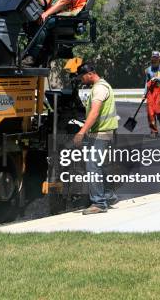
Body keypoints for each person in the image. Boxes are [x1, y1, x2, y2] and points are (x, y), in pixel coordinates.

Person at [22, 0, 87, 66]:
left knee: (44, 22)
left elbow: (63, 2)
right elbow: (47, 2)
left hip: (67, 18)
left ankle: (32, 56)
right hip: (55, 15)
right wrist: (34, 0)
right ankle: (27, 51)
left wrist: (46, 14)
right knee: (28, 19)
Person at [72, 62, 119, 215]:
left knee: (92, 166)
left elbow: (95, 112)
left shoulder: (99, 88)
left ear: (90, 74)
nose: (81, 80)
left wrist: (81, 132)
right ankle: (108, 196)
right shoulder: (104, 85)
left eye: (82, 77)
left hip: (101, 133)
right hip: (104, 132)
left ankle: (99, 203)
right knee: (99, 166)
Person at [145, 51, 160, 137]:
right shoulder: (148, 70)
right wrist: (144, 94)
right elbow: (146, 82)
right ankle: (153, 131)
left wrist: (157, 78)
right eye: (153, 59)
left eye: (156, 59)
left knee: (159, 112)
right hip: (150, 93)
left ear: (159, 59)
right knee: (150, 113)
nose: (154, 61)